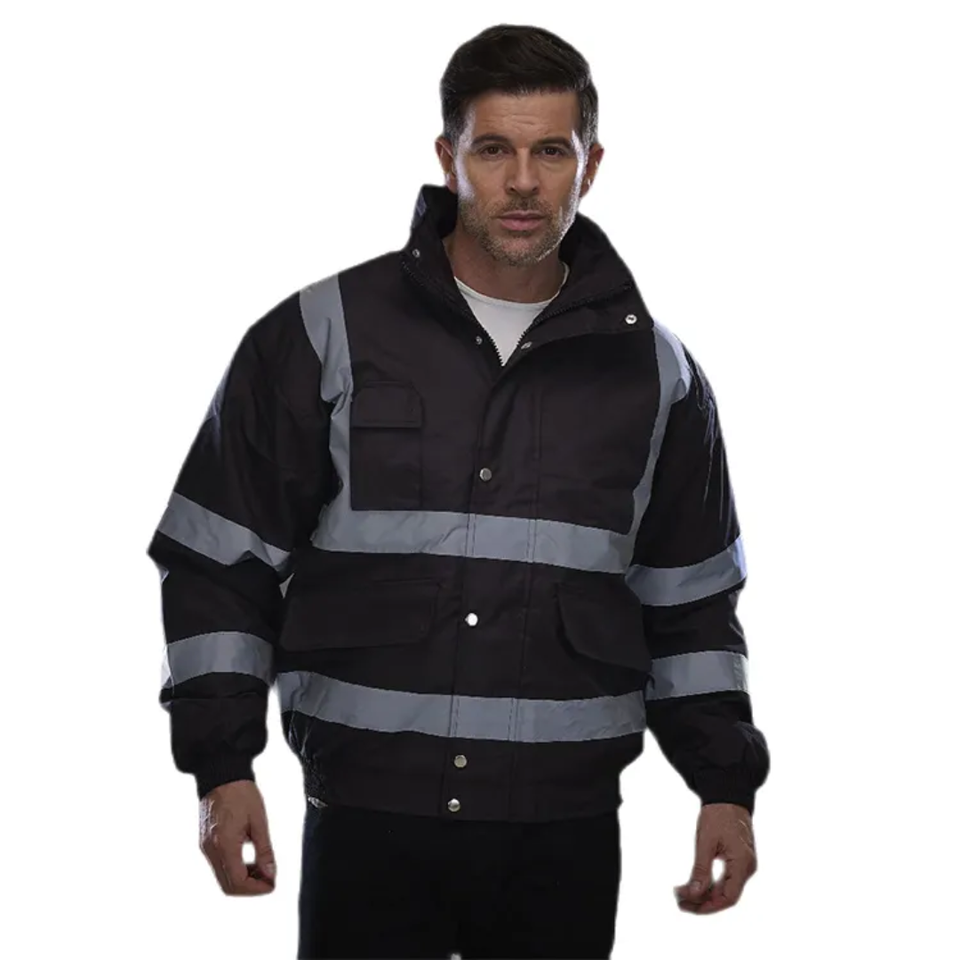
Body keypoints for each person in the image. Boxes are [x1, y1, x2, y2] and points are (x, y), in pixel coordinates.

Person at [146, 22, 770, 960]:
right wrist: (221, 766)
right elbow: (219, 560)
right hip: (368, 821)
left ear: (591, 165)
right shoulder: (323, 332)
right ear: (448, 159)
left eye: (550, 152)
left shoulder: (656, 373)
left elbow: (691, 602)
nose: (522, 182)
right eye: (493, 150)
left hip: (560, 835)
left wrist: (725, 786)